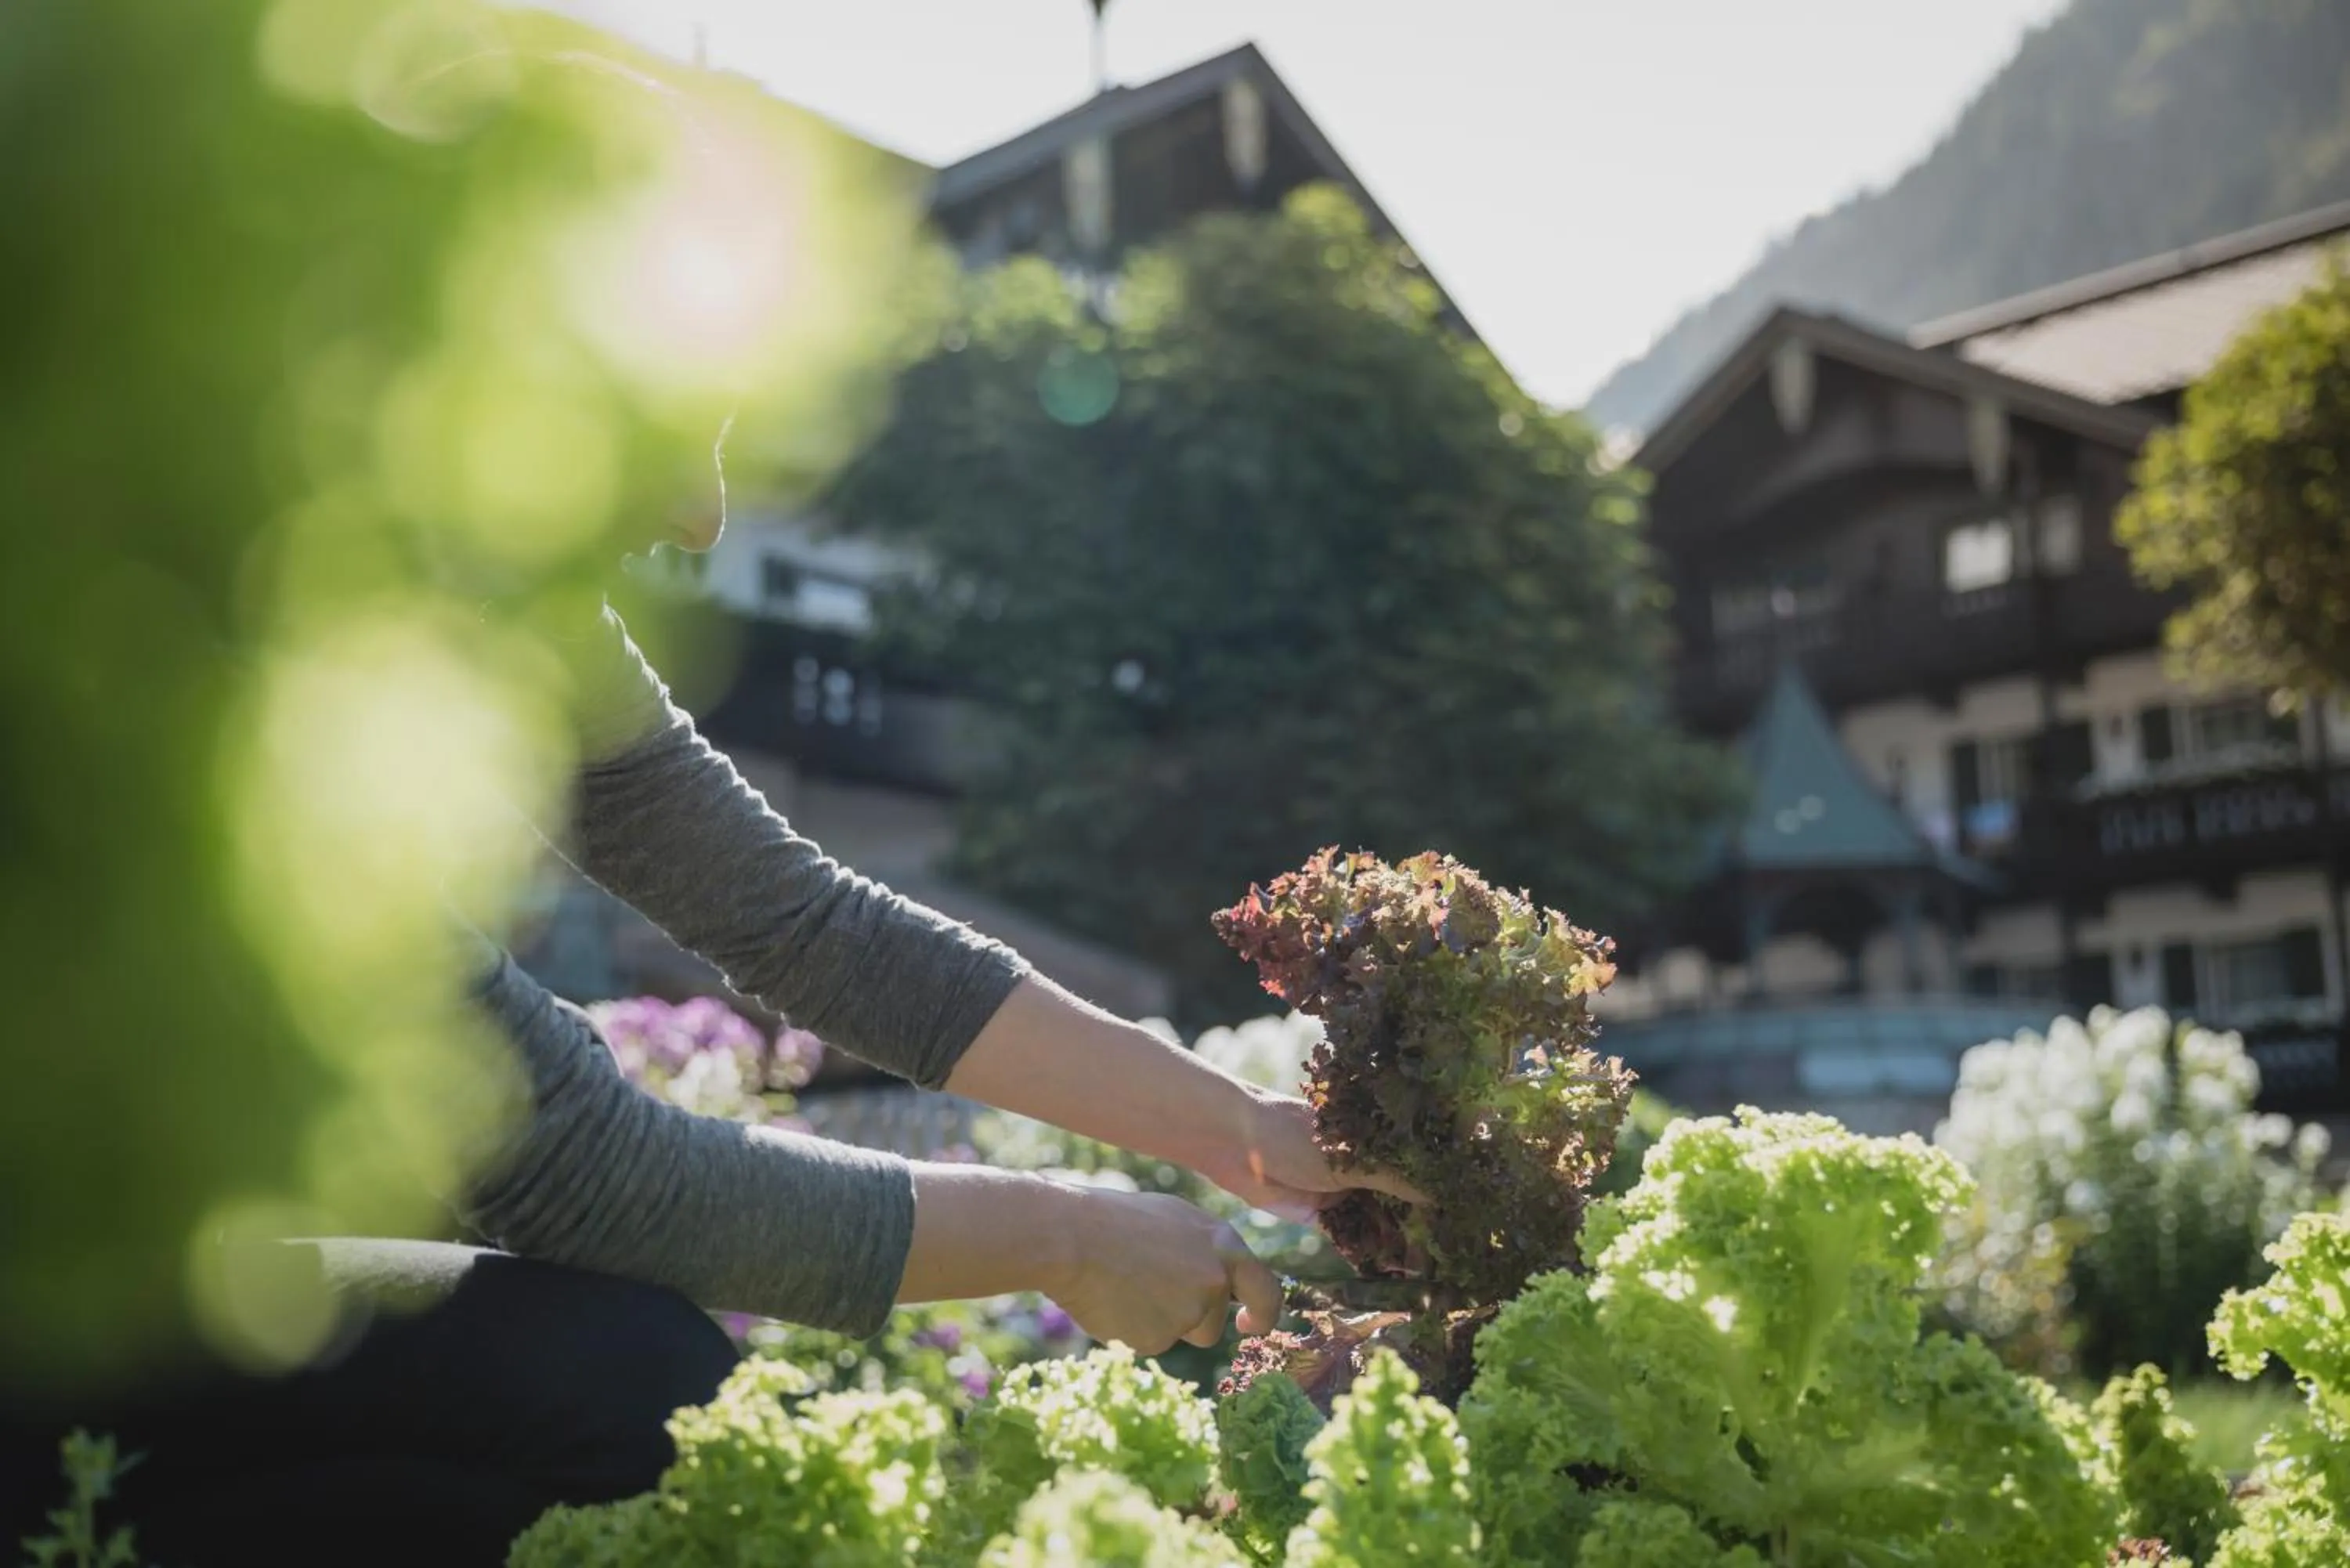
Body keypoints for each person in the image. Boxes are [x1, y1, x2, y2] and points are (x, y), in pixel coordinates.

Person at [0, 446, 1417, 1567]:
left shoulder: (502, 611)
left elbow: (799, 920)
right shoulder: (223, 604)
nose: (702, 510)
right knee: (621, 1391)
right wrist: (1061, 1229)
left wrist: (1237, 1128)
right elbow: (584, 1171)